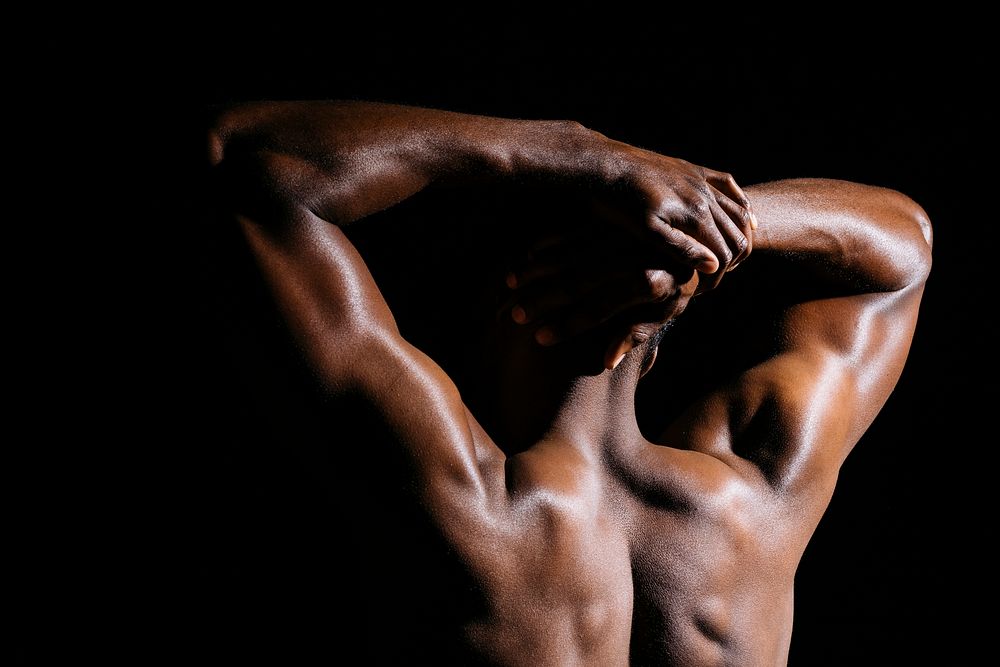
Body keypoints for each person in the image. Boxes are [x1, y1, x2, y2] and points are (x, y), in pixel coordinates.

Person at [203, 100, 932, 665]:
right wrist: (715, 231)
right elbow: (905, 248)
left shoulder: (462, 500)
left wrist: (568, 150)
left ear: (499, 300)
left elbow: (244, 156)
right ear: (659, 332)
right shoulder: (755, 499)